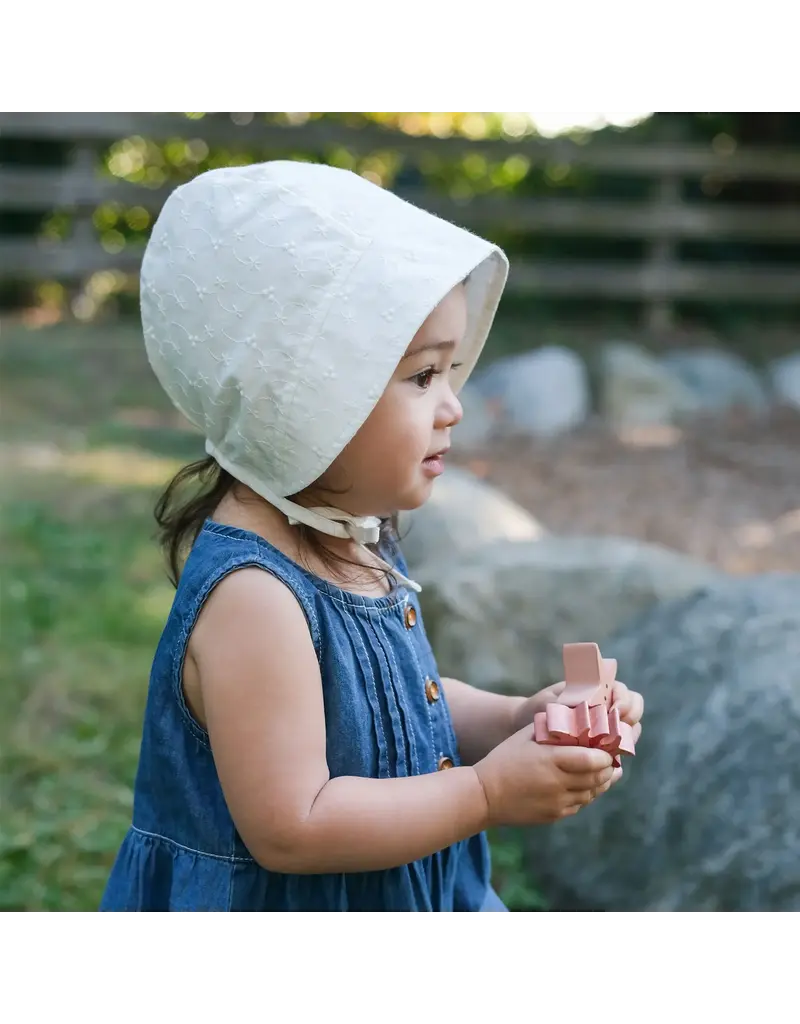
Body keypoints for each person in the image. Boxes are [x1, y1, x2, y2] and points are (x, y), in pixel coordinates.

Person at [100, 159, 644, 913]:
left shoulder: (353, 534)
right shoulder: (255, 597)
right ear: (304, 401)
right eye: (422, 377)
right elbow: (294, 826)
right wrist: (485, 793)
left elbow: (394, 706)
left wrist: (517, 718)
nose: (454, 405)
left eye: (449, 370)